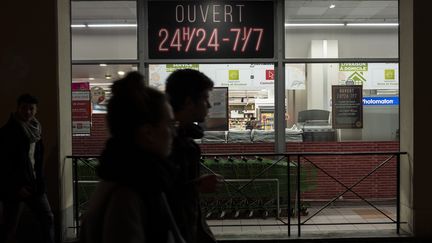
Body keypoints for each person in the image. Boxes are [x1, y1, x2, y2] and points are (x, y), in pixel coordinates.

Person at [80, 72, 183, 243]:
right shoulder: (128, 194)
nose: (174, 132)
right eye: (170, 124)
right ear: (148, 133)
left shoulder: (137, 177)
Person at [165, 69, 222, 243]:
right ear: (189, 102)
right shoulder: (166, 142)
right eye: (205, 99)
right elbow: (157, 195)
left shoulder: (183, 138)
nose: (209, 105)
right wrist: (195, 186)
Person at [0, 93, 55, 243]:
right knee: (9, 226)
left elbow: (36, 160)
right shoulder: (7, 133)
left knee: (47, 217)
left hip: (34, 184)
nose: (28, 112)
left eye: (31, 108)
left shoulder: (36, 130)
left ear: (36, 110)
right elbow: (4, 164)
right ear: (18, 109)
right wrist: (16, 186)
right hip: (15, 187)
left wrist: (40, 181)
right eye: (24, 108)